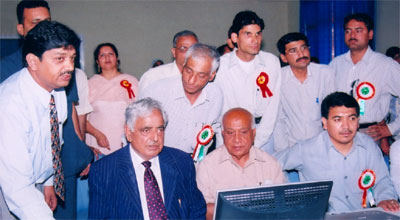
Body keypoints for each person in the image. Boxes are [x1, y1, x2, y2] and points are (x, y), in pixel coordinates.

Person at [0, 20, 80, 219]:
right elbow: (17, 187)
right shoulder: (10, 105)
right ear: (33, 61)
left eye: (72, 58)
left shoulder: (57, 90)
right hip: (9, 187)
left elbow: (52, 141)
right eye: (60, 59)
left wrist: (48, 182)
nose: (70, 67)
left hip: (32, 181)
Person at [275, 92, 399, 213]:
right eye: (337, 119)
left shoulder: (368, 145)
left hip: (362, 215)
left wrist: (385, 198)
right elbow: (271, 163)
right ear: (325, 123)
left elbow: (382, 180)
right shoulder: (306, 149)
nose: (346, 126)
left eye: (352, 118)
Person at [88, 98, 206, 219]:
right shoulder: (104, 171)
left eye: (160, 129)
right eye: (146, 130)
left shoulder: (181, 161)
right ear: (129, 132)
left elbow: (197, 210)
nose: (155, 137)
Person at [329, 13, 400, 155]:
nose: (352, 35)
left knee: (366, 176)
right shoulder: (336, 64)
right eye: (348, 31)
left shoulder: (385, 65)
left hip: (369, 133)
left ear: (370, 34)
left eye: (358, 30)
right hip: (337, 133)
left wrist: (391, 128)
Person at [197, 108, 286, 220]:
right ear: (223, 135)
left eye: (243, 132)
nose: (237, 140)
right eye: (230, 133)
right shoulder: (207, 165)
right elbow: (202, 210)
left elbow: (282, 207)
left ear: (253, 134)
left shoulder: (270, 164)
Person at [215, 10, 282, 154]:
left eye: (258, 33)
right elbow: (219, 109)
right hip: (230, 140)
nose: (255, 39)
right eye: (248, 34)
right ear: (235, 37)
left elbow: (273, 107)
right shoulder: (221, 65)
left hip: (263, 138)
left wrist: (257, 142)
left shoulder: (271, 63)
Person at [140, 43, 223, 154]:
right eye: (189, 71)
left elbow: (218, 130)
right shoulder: (156, 91)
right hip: (159, 161)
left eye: (201, 75)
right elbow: (135, 128)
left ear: (212, 75)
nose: (191, 80)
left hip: (195, 164)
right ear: (183, 65)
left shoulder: (215, 96)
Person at [274, 32, 335, 151]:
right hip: (292, 146)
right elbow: (279, 120)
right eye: (293, 51)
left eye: (304, 48)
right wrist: (284, 152)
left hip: (323, 145)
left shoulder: (325, 73)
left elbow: (332, 112)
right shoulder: (278, 78)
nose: (301, 54)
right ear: (284, 58)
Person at [86, 42, 139, 156]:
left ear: (117, 58)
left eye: (111, 54)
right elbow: (80, 120)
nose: (107, 58)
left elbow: (140, 115)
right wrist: (97, 134)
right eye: (102, 55)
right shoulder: (89, 84)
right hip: (97, 147)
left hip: (125, 145)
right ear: (97, 62)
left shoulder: (131, 81)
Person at [0, 0, 51, 83]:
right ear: (21, 29)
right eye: (36, 23)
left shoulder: (62, 66)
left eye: (47, 22)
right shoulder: (4, 68)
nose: (44, 28)